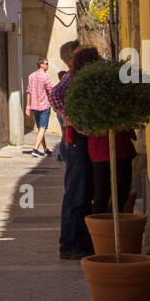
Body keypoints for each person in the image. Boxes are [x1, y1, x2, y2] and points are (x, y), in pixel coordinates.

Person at [49, 43, 100, 260]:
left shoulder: (78, 77)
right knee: (76, 194)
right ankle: (69, 244)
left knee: (82, 192)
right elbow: (55, 95)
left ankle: (78, 241)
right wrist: (71, 117)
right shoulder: (72, 77)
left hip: (79, 141)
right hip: (75, 142)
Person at [25, 58, 54, 157]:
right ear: (41, 64)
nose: (47, 65)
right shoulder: (46, 77)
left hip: (34, 105)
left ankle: (45, 149)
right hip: (44, 105)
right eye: (46, 63)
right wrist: (54, 103)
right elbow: (50, 91)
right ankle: (35, 149)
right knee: (42, 128)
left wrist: (28, 105)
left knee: (40, 128)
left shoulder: (31, 76)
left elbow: (28, 92)